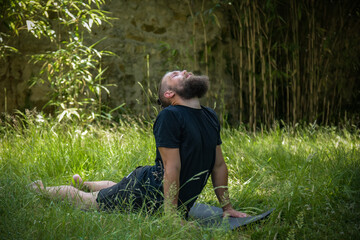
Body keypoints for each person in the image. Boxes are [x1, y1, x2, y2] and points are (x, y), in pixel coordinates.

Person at [30, 70, 248, 218]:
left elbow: (218, 165)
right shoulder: (171, 116)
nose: (184, 71)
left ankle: (85, 181)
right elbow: (172, 168)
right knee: (88, 202)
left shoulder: (209, 115)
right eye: (176, 74)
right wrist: (172, 217)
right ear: (169, 93)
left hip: (150, 181)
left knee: (116, 187)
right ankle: (41, 188)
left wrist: (227, 207)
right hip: (147, 191)